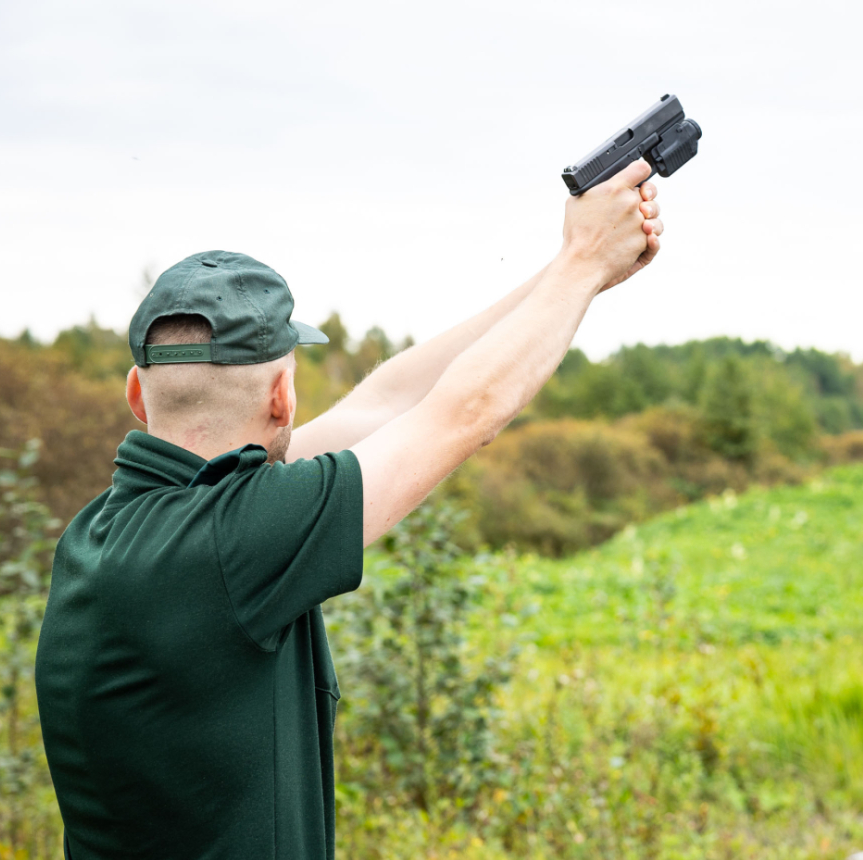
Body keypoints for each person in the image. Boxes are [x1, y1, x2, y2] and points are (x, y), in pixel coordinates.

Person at [33, 159, 664, 859]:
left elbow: (386, 402)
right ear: (281, 397)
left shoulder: (111, 531)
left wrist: (572, 271)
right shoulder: (232, 543)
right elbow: (464, 414)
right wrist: (581, 266)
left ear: (136, 393)